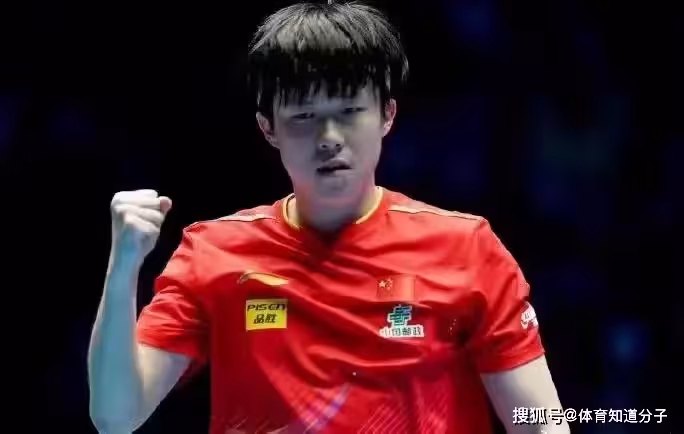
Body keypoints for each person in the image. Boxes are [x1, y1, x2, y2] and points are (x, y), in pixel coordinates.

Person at [88, 1, 570, 433]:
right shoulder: (212, 254)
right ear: (268, 128)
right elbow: (115, 417)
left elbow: (542, 424)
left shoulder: (466, 248)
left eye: (350, 110)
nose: (329, 137)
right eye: (304, 116)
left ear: (387, 115)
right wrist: (123, 267)